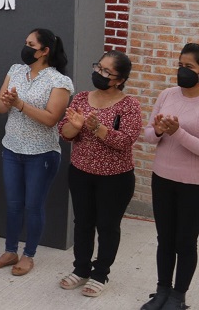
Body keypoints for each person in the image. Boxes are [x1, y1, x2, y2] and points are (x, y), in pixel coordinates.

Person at [0, 28, 73, 276]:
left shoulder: (59, 81)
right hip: (11, 148)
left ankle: (29, 255)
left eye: (31, 44)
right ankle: (10, 250)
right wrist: (6, 101)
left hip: (42, 154)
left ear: (45, 51)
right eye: (25, 42)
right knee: (13, 204)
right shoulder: (15, 71)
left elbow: (51, 119)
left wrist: (20, 104)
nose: (26, 48)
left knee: (33, 206)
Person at [58, 50, 141, 297]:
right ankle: (81, 269)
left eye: (106, 72)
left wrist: (98, 128)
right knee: (82, 223)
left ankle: (100, 273)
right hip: (81, 172)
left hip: (115, 178)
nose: (99, 74)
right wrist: (75, 126)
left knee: (107, 226)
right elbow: (66, 133)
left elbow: (125, 141)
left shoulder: (129, 105)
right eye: (98, 68)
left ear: (119, 79)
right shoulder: (81, 98)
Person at [140, 43, 199, 310]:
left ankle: (178, 296)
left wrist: (177, 132)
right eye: (180, 65)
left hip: (193, 185)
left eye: (189, 67)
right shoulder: (167, 94)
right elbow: (149, 136)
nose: (182, 71)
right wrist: (161, 130)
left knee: (185, 241)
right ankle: (162, 290)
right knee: (164, 238)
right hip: (162, 177)